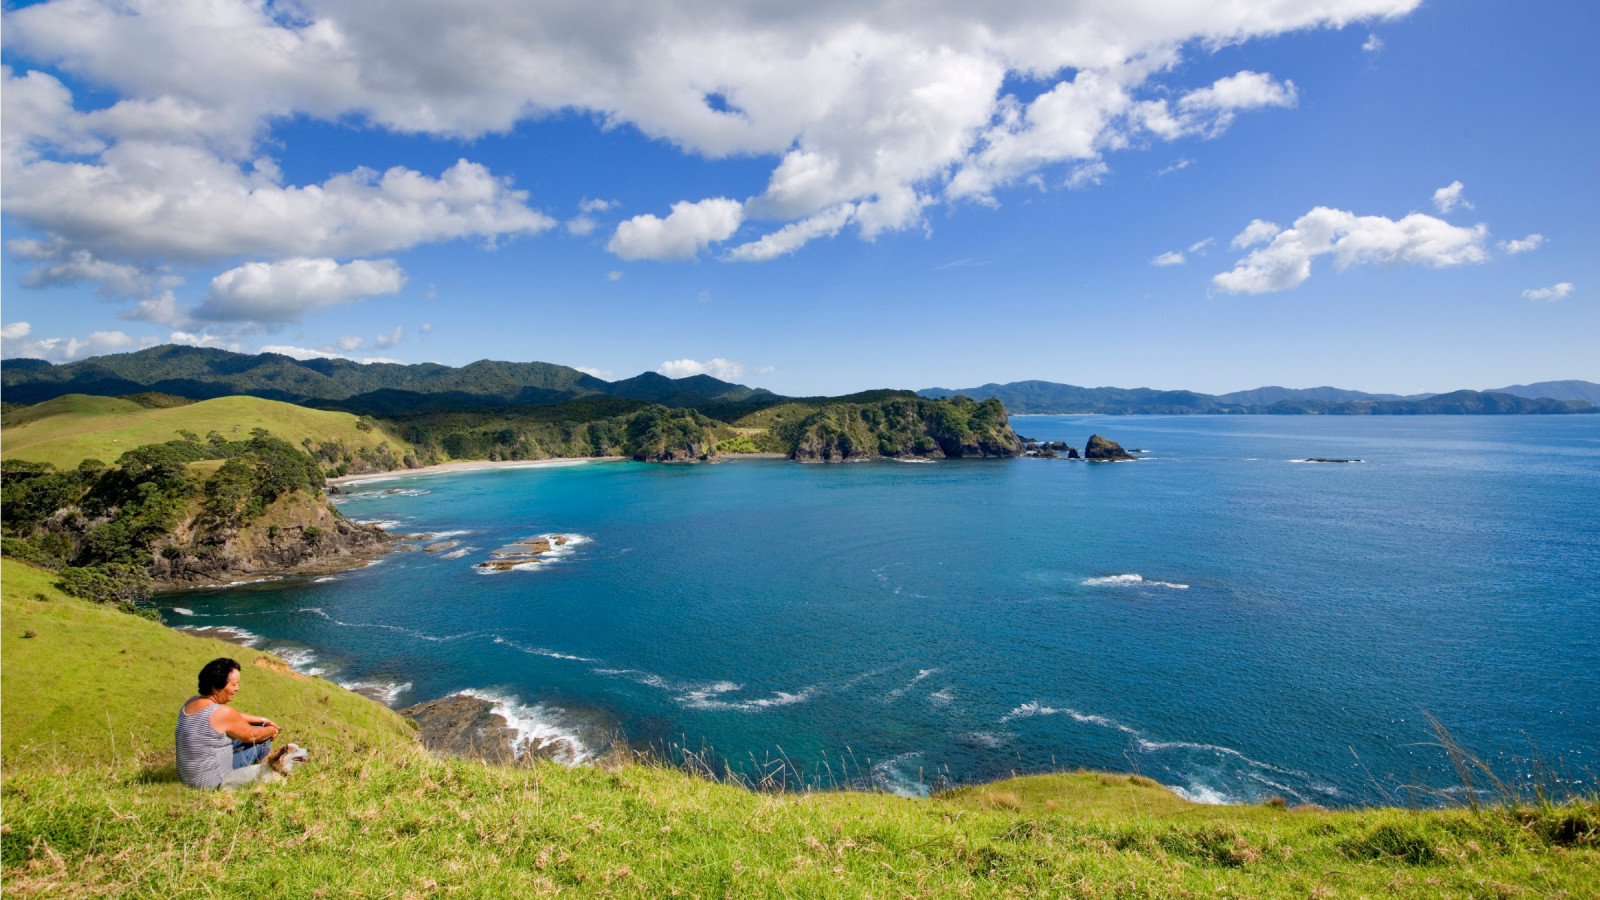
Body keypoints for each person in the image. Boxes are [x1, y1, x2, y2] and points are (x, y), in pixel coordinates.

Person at [176, 657, 281, 789]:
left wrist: (262, 720)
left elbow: (232, 717)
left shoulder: (190, 702)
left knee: (255, 729)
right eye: (233, 684)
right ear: (216, 687)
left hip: (187, 777)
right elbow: (252, 736)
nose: (237, 688)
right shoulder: (223, 713)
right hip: (213, 782)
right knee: (262, 739)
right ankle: (262, 782)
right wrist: (272, 730)